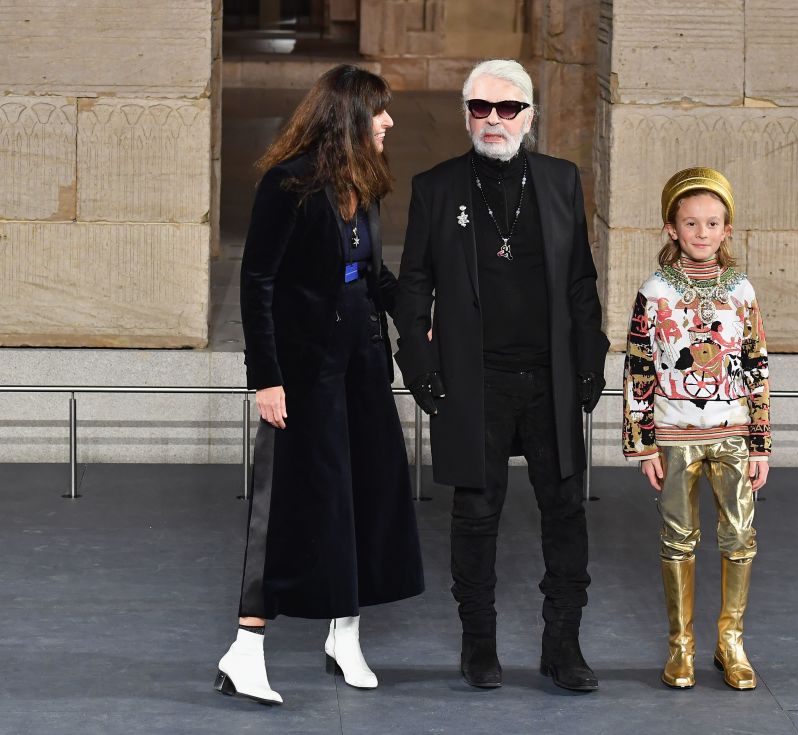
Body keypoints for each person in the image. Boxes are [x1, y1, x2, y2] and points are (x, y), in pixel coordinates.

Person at [393, 59, 609, 691]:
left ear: (529, 117)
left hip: (549, 377)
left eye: (507, 109)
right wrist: (421, 367)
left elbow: (580, 281)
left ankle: (562, 647)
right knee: (476, 512)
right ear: (466, 115)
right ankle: (478, 646)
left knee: (566, 510)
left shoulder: (560, 180)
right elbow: (413, 287)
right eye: (481, 108)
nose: (494, 119)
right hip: (474, 379)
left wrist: (590, 358)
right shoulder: (436, 188)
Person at [215, 64, 424, 706]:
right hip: (304, 376)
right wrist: (266, 380)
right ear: (347, 117)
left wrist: (422, 315)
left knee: (362, 498)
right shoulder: (288, 184)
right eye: (378, 110)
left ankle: (345, 633)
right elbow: (259, 285)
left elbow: (368, 274)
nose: (388, 121)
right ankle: (244, 650)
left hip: (362, 366)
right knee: (286, 507)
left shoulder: (366, 182)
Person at [622, 167, 770, 691]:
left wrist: (760, 442)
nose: (702, 233)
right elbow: (638, 366)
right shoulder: (655, 290)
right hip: (675, 433)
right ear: (671, 228)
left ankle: (730, 641)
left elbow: (756, 363)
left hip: (731, 432)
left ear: (727, 229)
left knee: (739, 536)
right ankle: (680, 646)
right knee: (678, 539)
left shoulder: (742, 291)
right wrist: (643, 445)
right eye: (691, 223)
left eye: (712, 223)